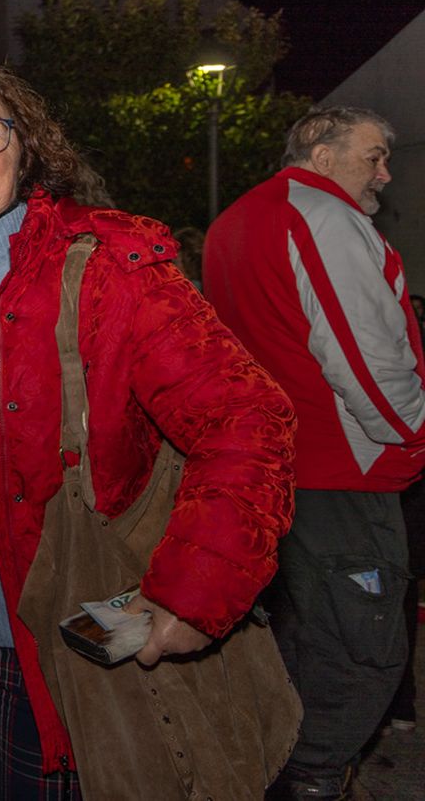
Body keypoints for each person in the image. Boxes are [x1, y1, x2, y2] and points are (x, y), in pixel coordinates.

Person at [0, 57, 296, 797]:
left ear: (25, 153)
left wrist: (195, 588)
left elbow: (246, 416)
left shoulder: (107, 269)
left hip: (62, 646)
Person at [204, 106, 425, 800]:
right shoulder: (321, 216)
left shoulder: (238, 217)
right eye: (373, 156)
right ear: (322, 155)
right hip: (341, 469)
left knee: (304, 639)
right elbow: (362, 351)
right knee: (364, 651)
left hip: (280, 464)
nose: (384, 175)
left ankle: (283, 767)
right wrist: (414, 431)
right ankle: (311, 779)